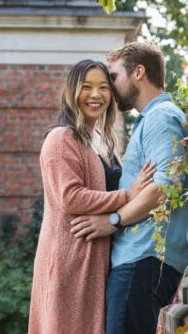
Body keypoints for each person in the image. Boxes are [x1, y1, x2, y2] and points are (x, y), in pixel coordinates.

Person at [70, 42, 188, 334]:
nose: (110, 88)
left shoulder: (161, 118)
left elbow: (167, 185)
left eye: (113, 77)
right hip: (141, 260)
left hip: (143, 259)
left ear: (138, 72)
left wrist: (113, 221)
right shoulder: (149, 120)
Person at [28, 59, 155, 334]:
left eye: (103, 88)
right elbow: (70, 198)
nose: (96, 95)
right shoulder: (61, 138)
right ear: (72, 92)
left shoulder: (103, 142)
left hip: (97, 259)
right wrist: (127, 196)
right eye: (86, 87)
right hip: (71, 261)